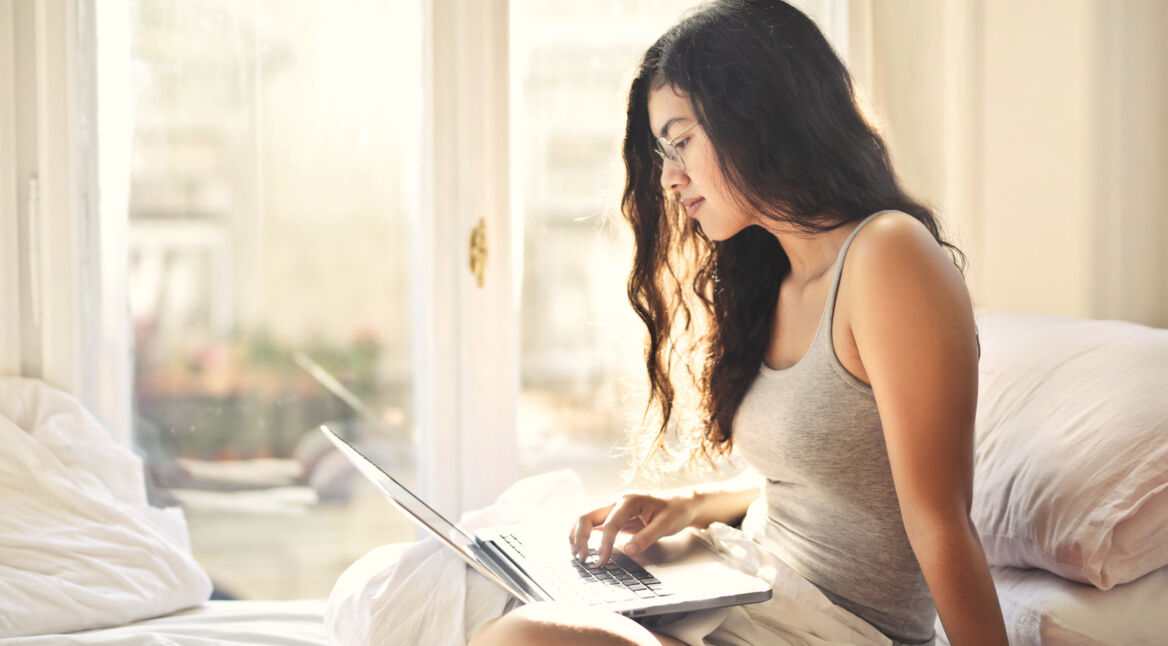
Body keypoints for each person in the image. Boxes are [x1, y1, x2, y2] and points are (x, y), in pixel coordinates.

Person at [470, 1, 1007, 644]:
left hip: (832, 631)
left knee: (521, 637)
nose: (669, 178)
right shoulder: (773, 280)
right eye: (661, 153)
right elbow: (820, 485)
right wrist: (689, 506)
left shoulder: (888, 255)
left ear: (756, 116)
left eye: (681, 141)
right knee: (477, 582)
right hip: (750, 592)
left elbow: (941, 522)